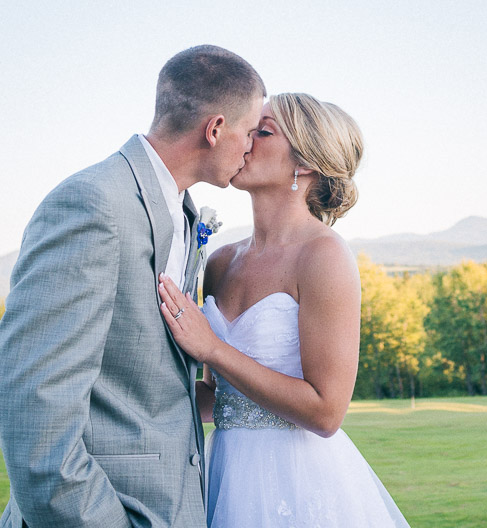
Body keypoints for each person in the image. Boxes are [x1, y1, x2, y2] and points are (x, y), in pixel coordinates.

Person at [0, 45, 265, 528]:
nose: (251, 147)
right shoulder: (95, 204)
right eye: (248, 131)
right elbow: (34, 401)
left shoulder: (183, 213)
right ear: (215, 128)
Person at [157, 93, 410, 527]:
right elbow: (218, 396)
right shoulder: (219, 261)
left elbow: (326, 412)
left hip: (298, 481)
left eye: (264, 131)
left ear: (306, 163)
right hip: (224, 476)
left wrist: (213, 348)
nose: (244, 138)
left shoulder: (324, 256)